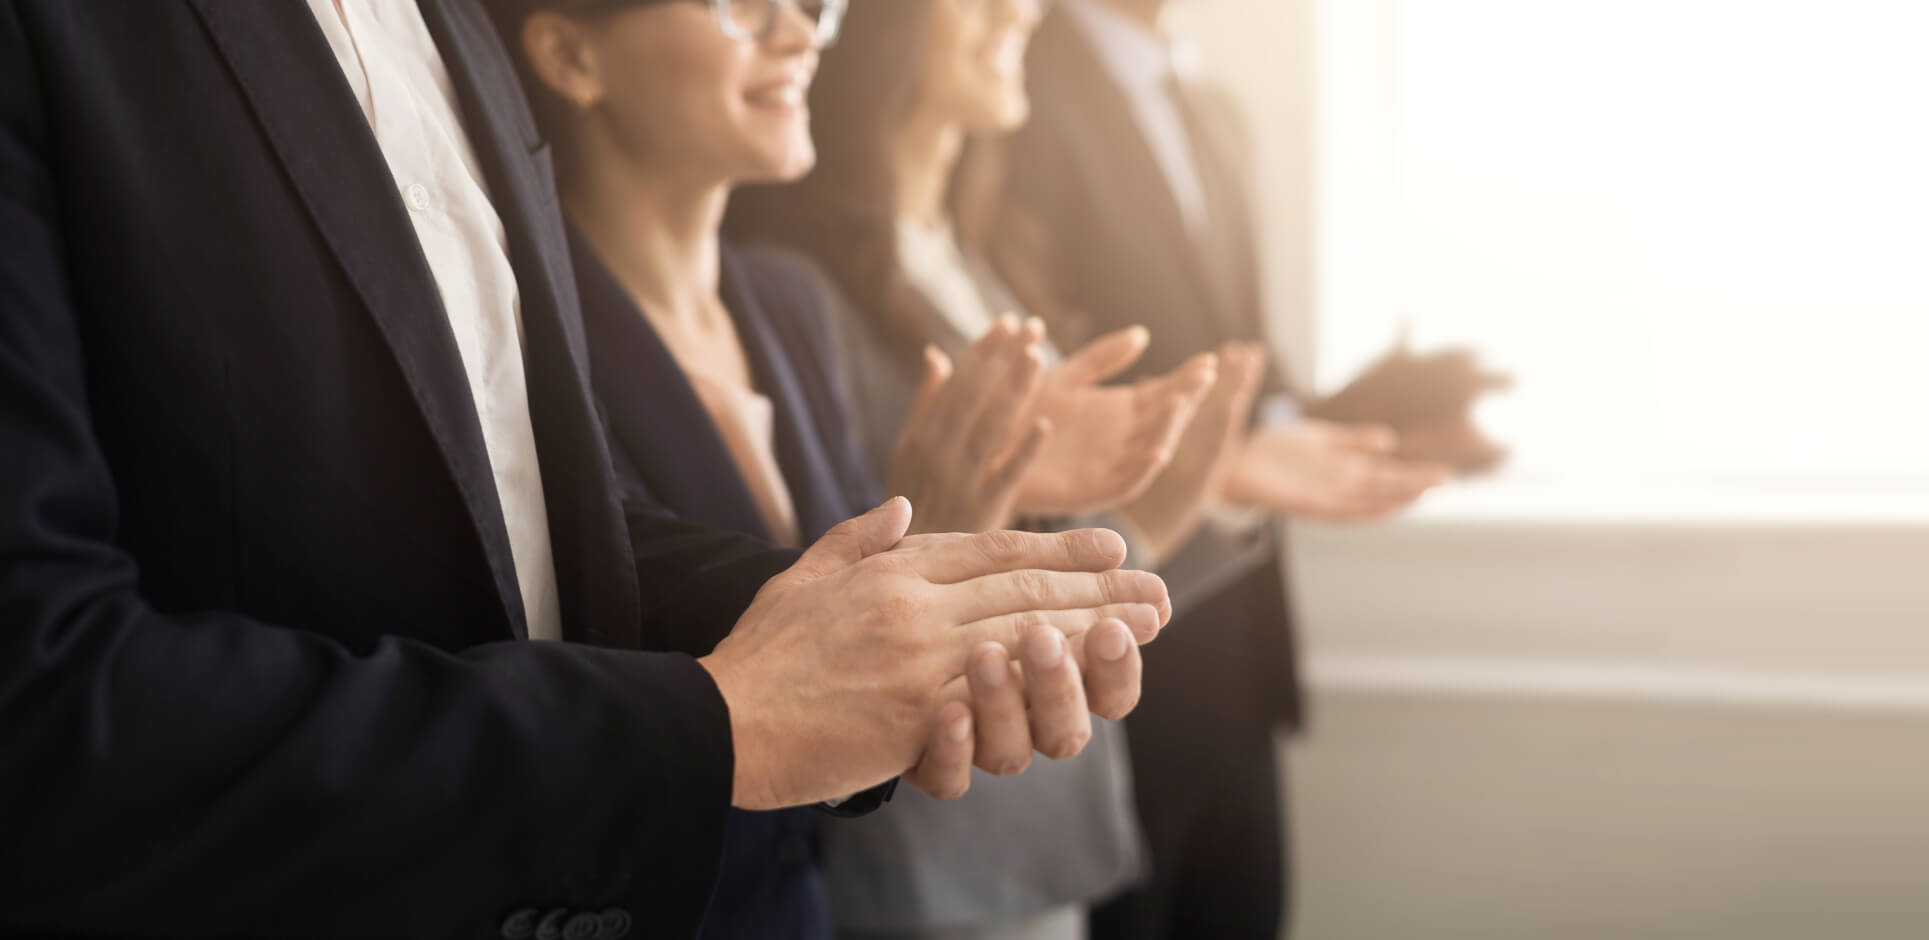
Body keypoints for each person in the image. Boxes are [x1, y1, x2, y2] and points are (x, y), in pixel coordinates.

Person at [0, 2, 1175, 936]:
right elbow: (43, 701)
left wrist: (872, 632)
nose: (796, 26)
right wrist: (717, 723)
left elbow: (545, 518)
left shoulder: (448, 27)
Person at [487, 0, 1214, 934]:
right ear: (568, 55)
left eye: (808, 6)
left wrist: (954, 522)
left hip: (822, 897)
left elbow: (855, 623)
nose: (796, 34)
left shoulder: (787, 301)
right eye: (738, 8)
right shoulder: (536, 334)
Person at [724, 1, 1273, 938]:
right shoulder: (797, 288)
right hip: (926, 854)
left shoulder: (980, 262)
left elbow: (1023, 557)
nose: (1020, 9)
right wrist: (1150, 513)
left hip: (1038, 828)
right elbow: (850, 583)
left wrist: (1188, 496)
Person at [1004, 1, 1473, 936]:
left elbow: (1241, 372)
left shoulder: (1212, 107)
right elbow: (1048, 390)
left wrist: (1346, 415)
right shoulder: (1018, 83)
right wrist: (1231, 456)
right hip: (1116, 662)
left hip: (1240, 646)